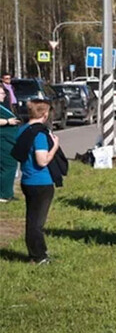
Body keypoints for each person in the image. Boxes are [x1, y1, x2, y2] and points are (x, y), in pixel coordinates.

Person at [13, 99, 61, 263]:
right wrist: (54, 146)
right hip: (41, 182)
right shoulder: (39, 134)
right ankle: (39, 256)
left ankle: (35, 253)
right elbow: (42, 161)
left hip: (27, 180)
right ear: (45, 114)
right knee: (37, 223)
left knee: (31, 219)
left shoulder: (23, 130)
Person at [0, 94, 21, 204]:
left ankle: (7, 192)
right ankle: (4, 194)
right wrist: (8, 121)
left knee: (9, 166)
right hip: (3, 140)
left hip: (8, 139)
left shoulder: (2, 106)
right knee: (8, 165)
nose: (4, 95)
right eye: (1, 93)